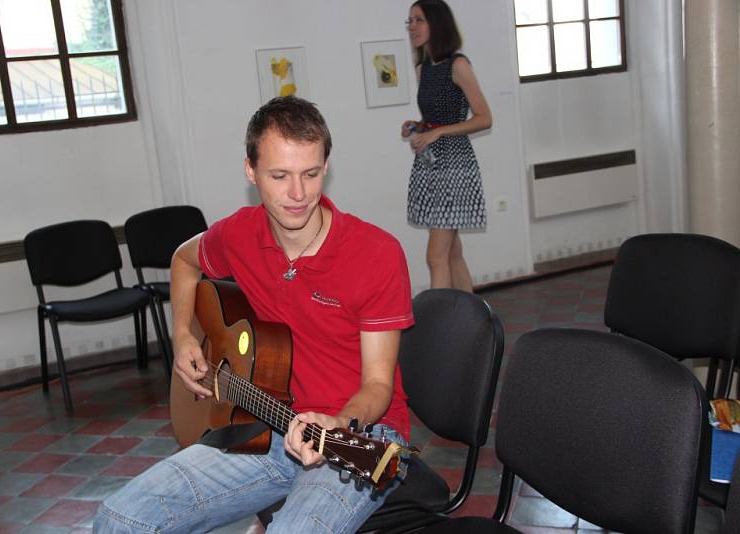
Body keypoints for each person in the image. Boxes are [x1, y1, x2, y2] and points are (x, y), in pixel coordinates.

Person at [94, 96, 414, 533]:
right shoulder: (239, 234)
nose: (298, 194)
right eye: (279, 176)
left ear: (326, 166)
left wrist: (337, 421)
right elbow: (183, 262)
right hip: (266, 425)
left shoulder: (376, 254)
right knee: (119, 519)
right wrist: (183, 336)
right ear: (250, 170)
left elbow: (378, 385)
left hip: (358, 435)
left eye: (311, 174)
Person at [401, 0, 492, 291]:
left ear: (437, 24)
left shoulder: (458, 64)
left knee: (435, 256)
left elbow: (484, 118)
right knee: (451, 252)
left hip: (454, 166)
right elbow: (435, 119)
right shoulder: (423, 68)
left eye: (419, 20)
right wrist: (417, 126)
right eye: (410, 21)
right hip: (431, 165)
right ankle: (476, 318)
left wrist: (438, 133)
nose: (412, 27)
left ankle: (441, 327)